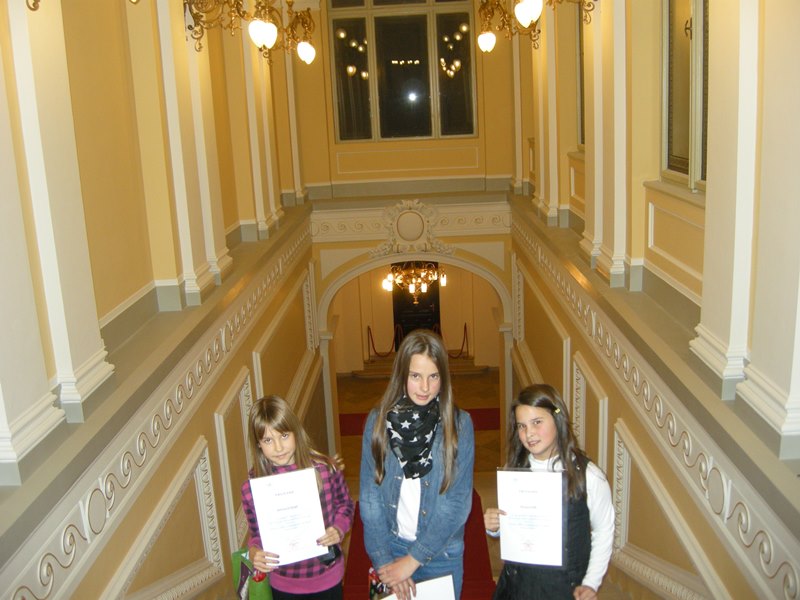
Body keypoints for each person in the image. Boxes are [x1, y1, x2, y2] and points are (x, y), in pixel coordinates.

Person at [359, 329, 475, 600]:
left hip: (442, 555)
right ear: (402, 375)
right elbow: (369, 497)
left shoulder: (460, 425)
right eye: (415, 376)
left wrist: (412, 560)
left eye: (433, 376)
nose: (425, 387)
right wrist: (384, 561)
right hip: (390, 548)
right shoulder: (378, 421)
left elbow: (457, 503)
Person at [484, 384, 614, 600]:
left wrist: (591, 582)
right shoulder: (513, 470)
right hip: (517, 585)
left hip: (563, 587)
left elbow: (603, 531)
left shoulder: (588, 475)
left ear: (557, 419)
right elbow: (517, 524)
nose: (529, 433)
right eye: (521, 426)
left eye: (537, 422)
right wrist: (496, 526)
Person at [242, 395, 355, 600]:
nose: (278, 448)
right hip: (283, 583)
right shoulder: (253, 487)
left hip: (327, 577)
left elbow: (346, 505)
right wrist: (255, 551)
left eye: (284, 436)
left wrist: (338, 529)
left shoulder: (324, 469)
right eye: (268, 440)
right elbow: (257, 533)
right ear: (258, 444)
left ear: (296, 432)